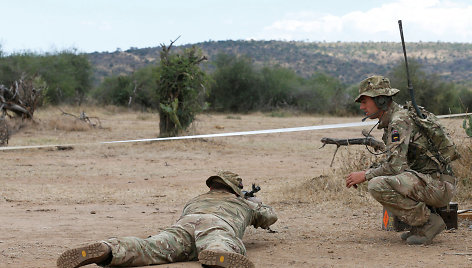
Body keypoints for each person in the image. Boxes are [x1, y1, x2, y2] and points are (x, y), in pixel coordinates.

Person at [57, 171, 277, 268]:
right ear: (235, 190)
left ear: (211, 187)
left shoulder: (195, 199)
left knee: (150, 247)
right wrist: (253, 203)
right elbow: (270, 217)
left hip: (185, 223)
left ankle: (108, 249)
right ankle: (219, 256)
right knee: (218, 241)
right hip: (217, 222)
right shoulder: (241, 203)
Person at [345, 75, 456, 245]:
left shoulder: (399, 122)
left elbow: (395, 167)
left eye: (365, 101)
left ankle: (428, 223)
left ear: (381, 101)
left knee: (377, 184)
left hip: (437, 186)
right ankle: (419, 226)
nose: (361, 107)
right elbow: (398, 163)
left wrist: (365, 174)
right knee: (381, 178)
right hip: (434, 182)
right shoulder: (397, 118)